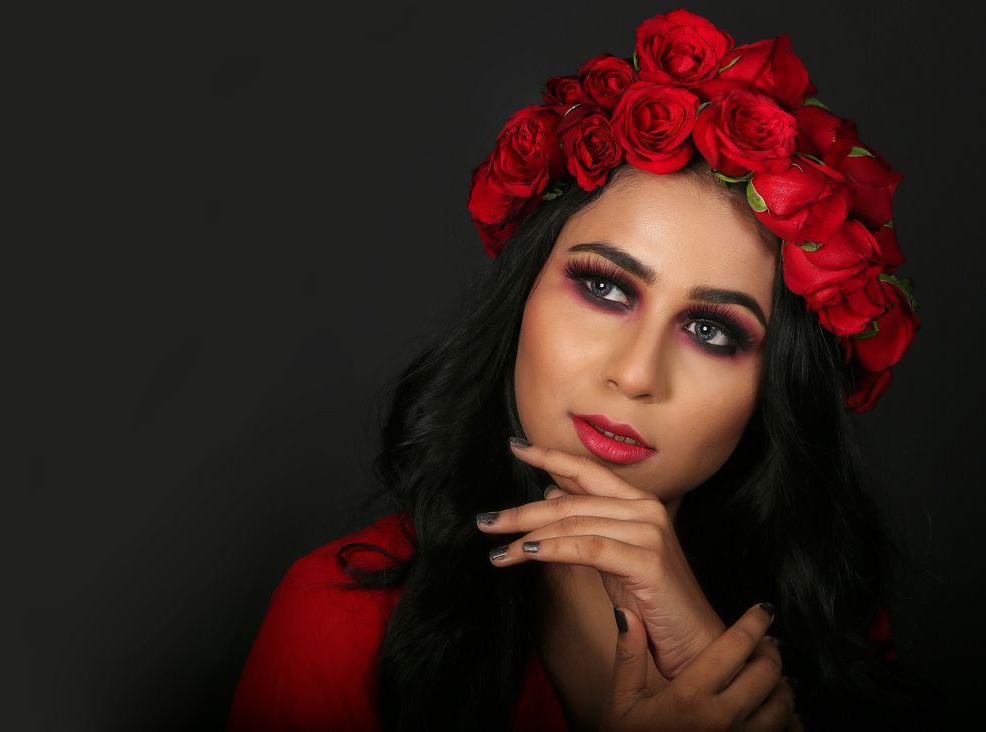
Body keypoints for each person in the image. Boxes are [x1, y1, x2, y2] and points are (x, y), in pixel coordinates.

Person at [227, 8, 926, 731]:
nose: (634, 374)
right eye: (605, 288)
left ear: (770, 391)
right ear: (522, 296)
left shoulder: (827, 620)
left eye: (711, 330)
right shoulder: (339, 620)